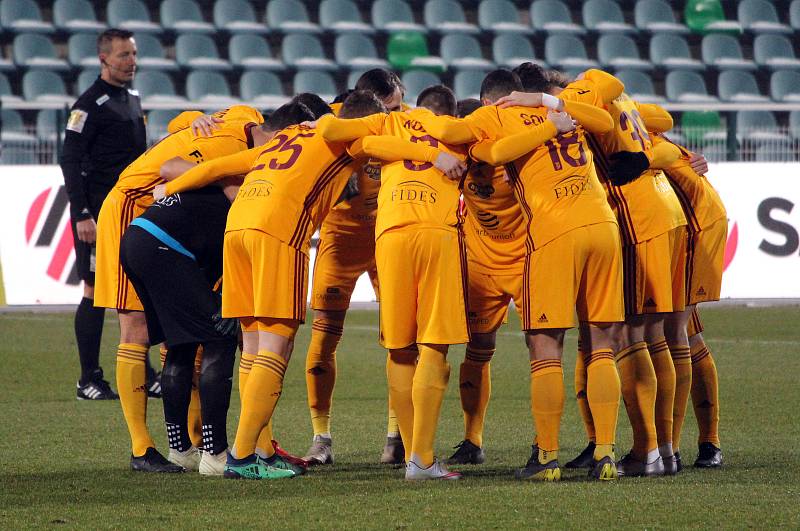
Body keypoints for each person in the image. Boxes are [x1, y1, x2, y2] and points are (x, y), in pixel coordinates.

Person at [158, 90, 465, 480]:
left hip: (237, 230)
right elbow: (377, 142)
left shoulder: (287, 137)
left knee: (251, 346)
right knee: (276, 343)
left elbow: (217, 168)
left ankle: (259, 449)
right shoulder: (341, 138)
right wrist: (433, 154)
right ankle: (240, 456)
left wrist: (169, 189)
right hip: (277, 232)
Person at [416, 69, 624, 481]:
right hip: (602, 226)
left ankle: (546, 457)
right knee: (601, 345)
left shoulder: (493, 118)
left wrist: (412, 120)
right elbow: (608, 117)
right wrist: (552, 106)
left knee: (545, 350)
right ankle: (605, 453)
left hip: (549, 236)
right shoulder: (563, 111)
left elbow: (469, 140)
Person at [94, 104, 265, 472]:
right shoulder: (241, 148)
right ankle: (143, 447)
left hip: (164, 218)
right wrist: (217, 177)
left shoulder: (229, 123)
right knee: (136, 330)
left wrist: (192, 118)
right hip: (135, 206)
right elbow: (173, 167)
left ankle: (184, 444)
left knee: (181, 335)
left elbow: (178, 126)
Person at [315, 85, 471, 480]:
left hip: (390, 232)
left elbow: (339, 137)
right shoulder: (455, 128)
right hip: (436, 231)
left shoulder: (388, 124)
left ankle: (407, 457)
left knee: (400, 349)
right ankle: (421, 458)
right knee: (433, 348)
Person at [302, 70, 409, 466]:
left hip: (387, 243)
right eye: (392, 105)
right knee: (322, 345)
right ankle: (321, 437)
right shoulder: (329, 123)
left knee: (400, 341)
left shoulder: (404, 123)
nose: (396, 112)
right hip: (339, 245)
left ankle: (397, 435)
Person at [60, 28, 151, 400]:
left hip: (130, 209)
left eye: (133, 54)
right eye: (124, 55)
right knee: (94, 289)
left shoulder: (132, 97)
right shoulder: (88, 105)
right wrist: (82, 213)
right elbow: (70, 159)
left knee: (139, 288)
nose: (132, 62)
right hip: (97, 215)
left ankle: (147, 371)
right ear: (103, 59)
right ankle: (88, 379)